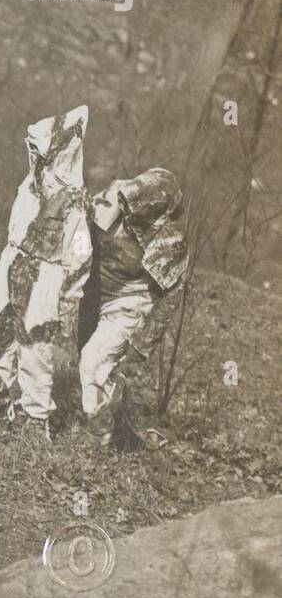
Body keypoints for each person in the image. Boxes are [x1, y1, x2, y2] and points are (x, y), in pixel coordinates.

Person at [0, 106, 92, 431]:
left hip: (46, 273)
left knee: (34, 344)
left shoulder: (74, 201)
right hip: (14, 261)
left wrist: (68, 296)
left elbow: (80, 255)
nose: (34, 154)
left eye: (39, 148)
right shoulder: (30, 182)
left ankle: (35, 417)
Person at [78, 167, 188, 446]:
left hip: (130, 301)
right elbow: (80, 218)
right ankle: (117, 422)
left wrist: (143, 345)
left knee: (94, 361)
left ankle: (97, 437)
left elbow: (170, 298)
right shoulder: (115, 198)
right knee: (90, 361)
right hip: (93, 290)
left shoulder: (169, 239)